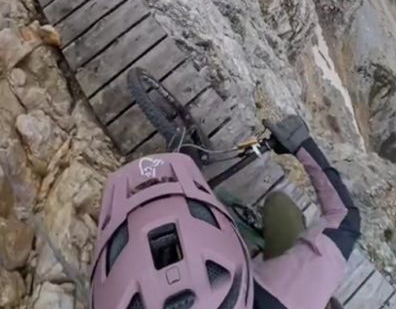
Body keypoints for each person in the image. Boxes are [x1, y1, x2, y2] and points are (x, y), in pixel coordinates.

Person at [89, 115, 360, 309]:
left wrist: (300, 144)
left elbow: (346, 218)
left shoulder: (307, 292)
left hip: (242, 280)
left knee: (280, 207)